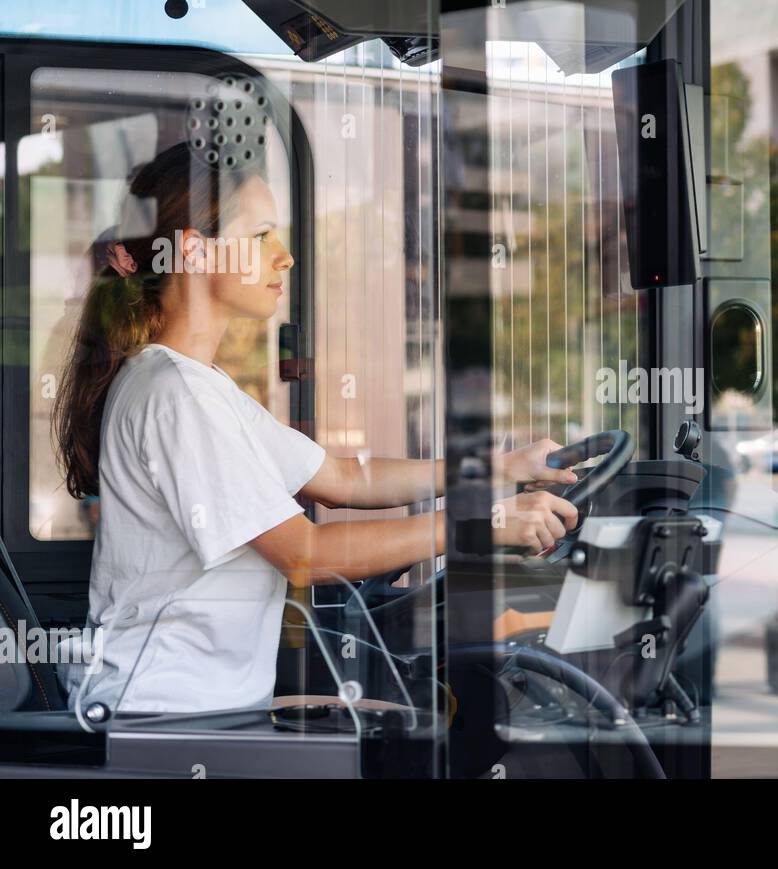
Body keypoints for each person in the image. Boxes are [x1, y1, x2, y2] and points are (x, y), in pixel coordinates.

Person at [51, 141, 578, 713]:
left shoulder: (196, 385)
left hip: (195, 707)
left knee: (403, 722)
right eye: (260, 237)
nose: (284, 257)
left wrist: (502, 467)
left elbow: (344, 478)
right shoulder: (178, 395)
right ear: (197, 254)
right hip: (163, 718)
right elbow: (304, 554)